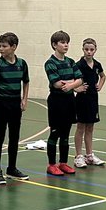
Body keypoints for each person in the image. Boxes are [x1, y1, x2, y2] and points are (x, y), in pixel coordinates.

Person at [0, 32, 30, 186]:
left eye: (4, 46)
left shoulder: (22, 63)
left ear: (14, 47)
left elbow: (26, 81)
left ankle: (11, 168)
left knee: (14, 137)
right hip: (2, 105)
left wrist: (24, 99)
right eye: (0, 46)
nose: (1, 49)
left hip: (15, 105)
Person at [44, 30, 84, 176]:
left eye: (67, 42)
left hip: (69, 101)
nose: (66, 45)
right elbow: (56, 83)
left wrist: (70, 85)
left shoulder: (71, 61)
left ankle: (63, 163)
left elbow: (80, 79)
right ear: (54, 45)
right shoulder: (50, 63)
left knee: (66, 133)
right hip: (56, 101)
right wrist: (74, 85)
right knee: (55, 133)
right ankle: (51, 164)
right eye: (62, 42)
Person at [73, 38, 106, 167]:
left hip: (93, 98)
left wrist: (100, 85)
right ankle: (78, 156)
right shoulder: (78, 65)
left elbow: (103, 76)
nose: (89, 52)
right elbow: (71, 80)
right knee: (80, 127)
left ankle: (89, 155)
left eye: (91, 49)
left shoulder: (97, 65)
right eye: (86, 49)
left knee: (90, 127)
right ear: (83, 49)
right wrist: (77, 88)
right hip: (81, 99)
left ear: (95, 50)